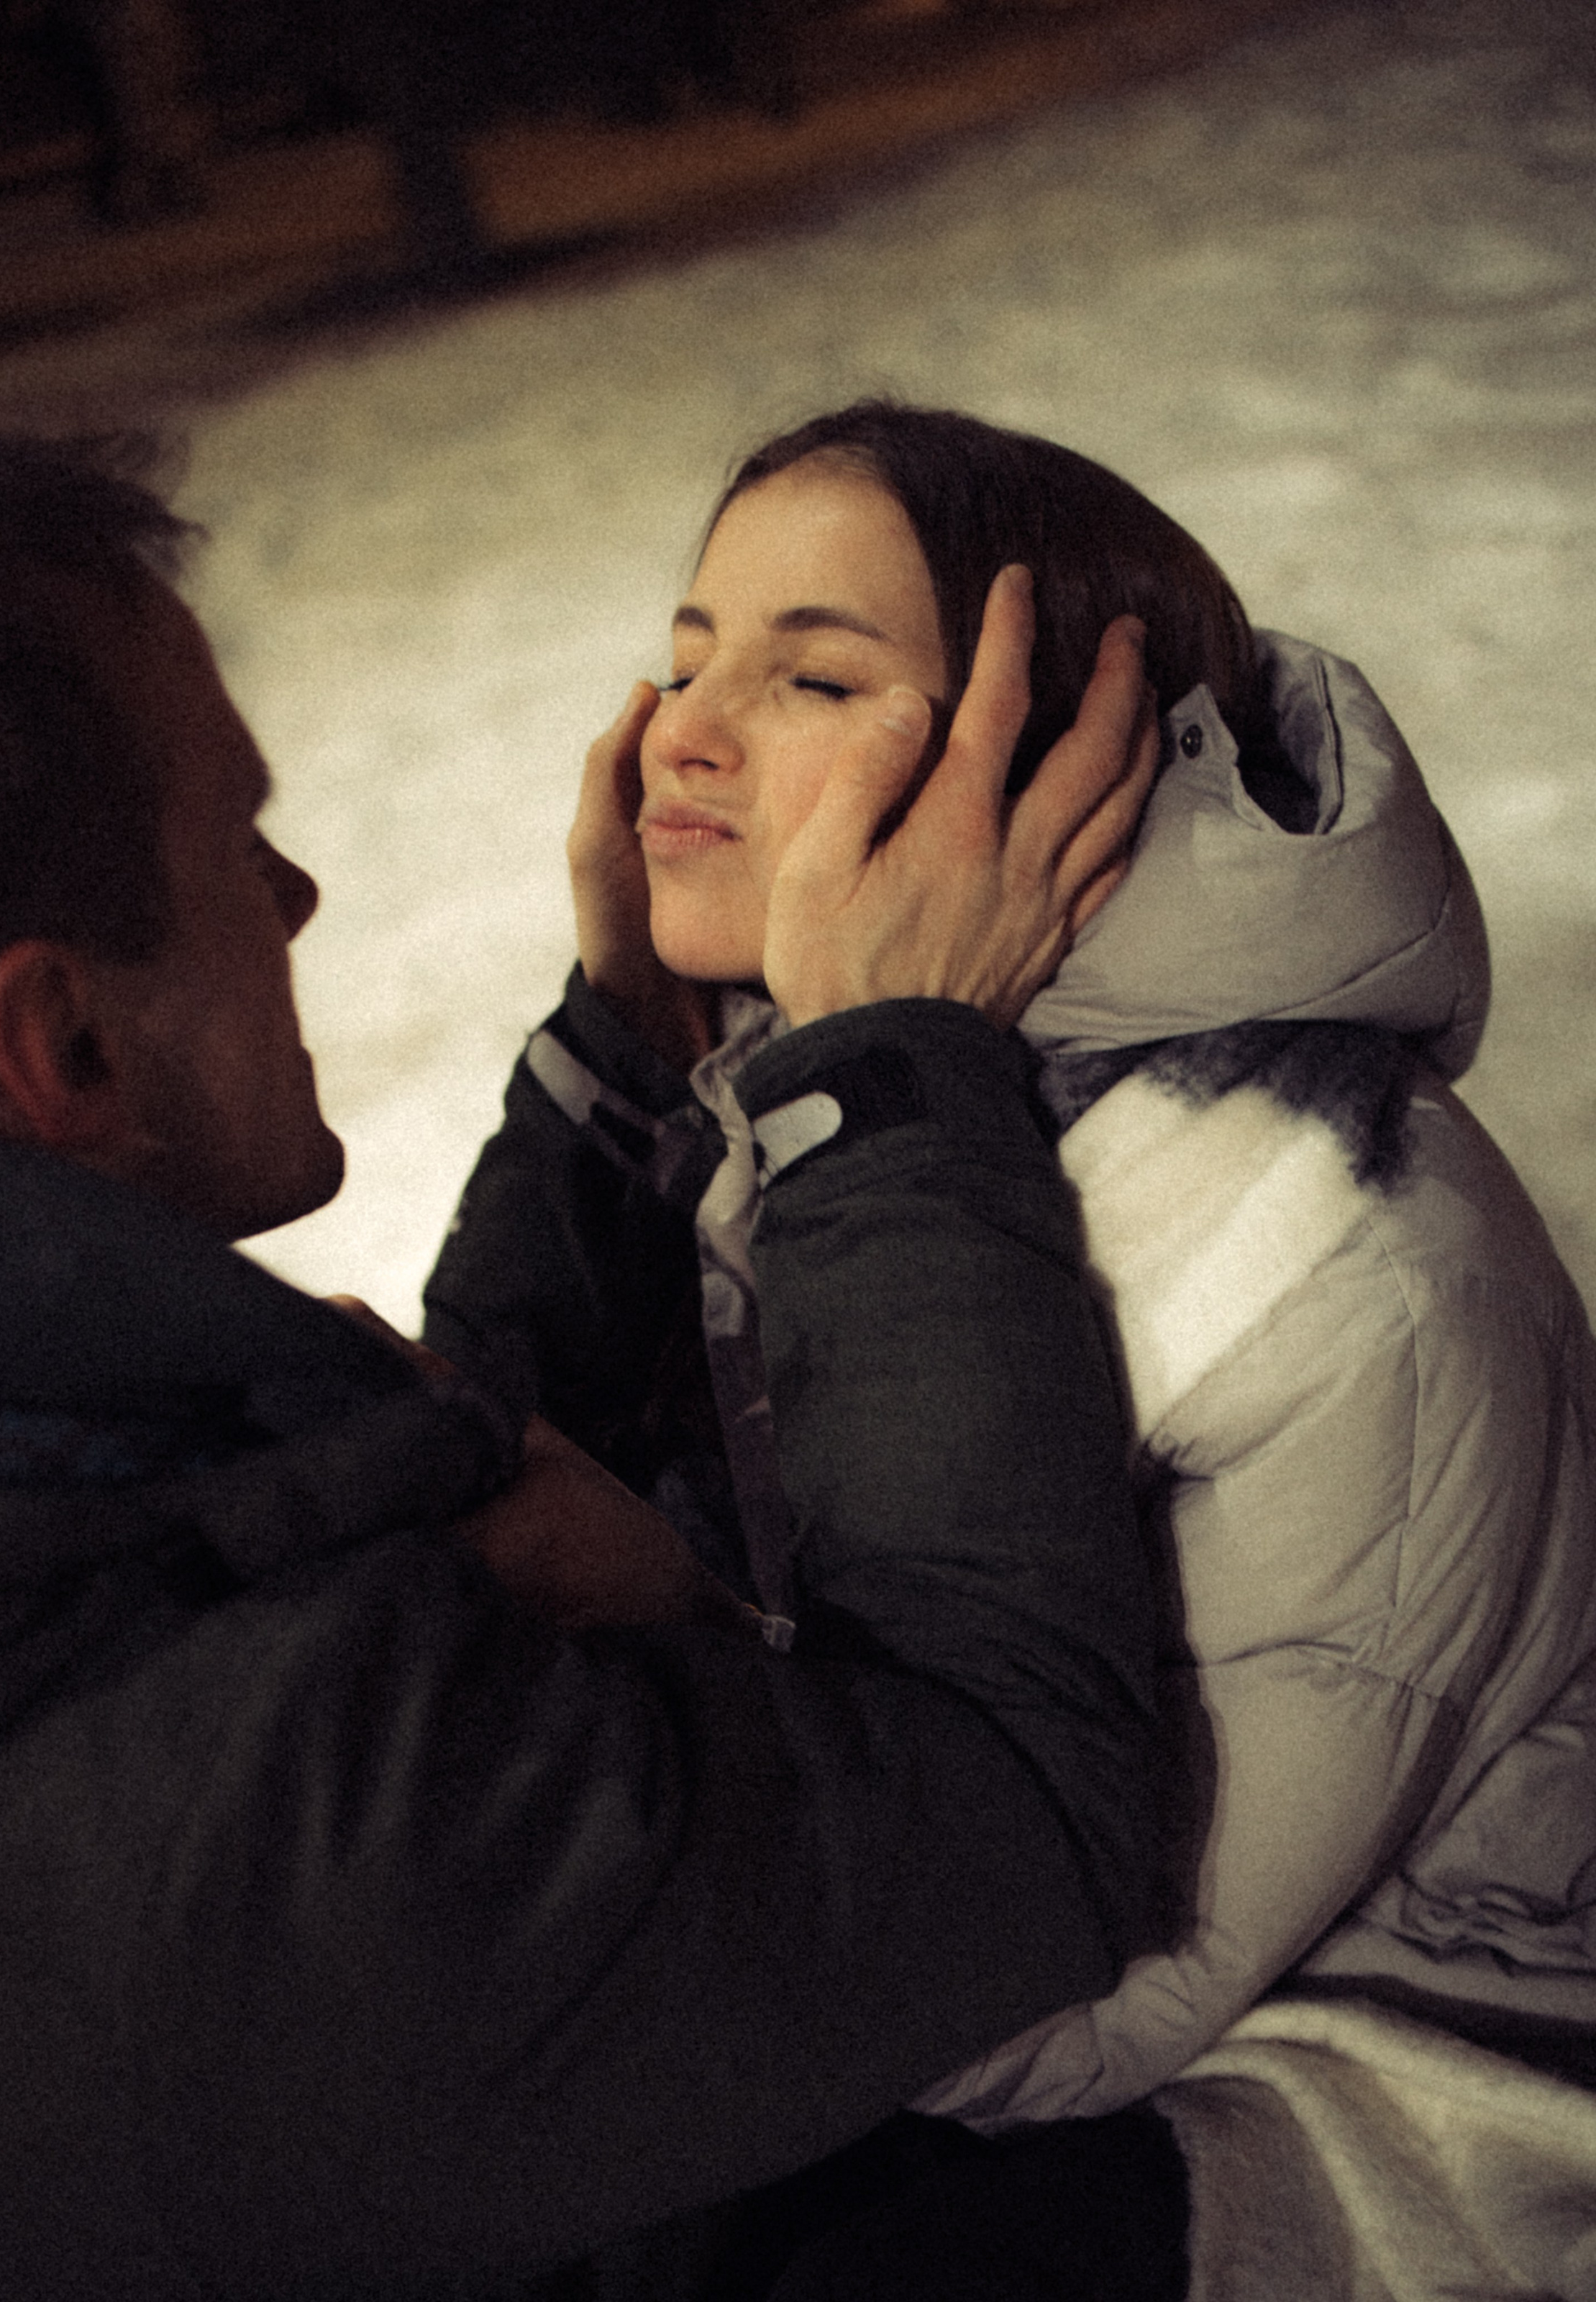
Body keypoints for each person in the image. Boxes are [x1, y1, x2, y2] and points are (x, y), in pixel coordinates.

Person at [0, 431, 1167, 2301]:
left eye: (811, 673)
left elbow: (393, 1520)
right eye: (232, 844)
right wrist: (888, 1072)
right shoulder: (222, 1865)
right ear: (66, 1046)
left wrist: (622, 1072)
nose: (300, 892)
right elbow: (1006, 1812)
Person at [422, 401, 1596, 2295]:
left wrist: (653, 1619)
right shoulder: (841, 1096)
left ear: (1057, 763)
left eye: (811, 675)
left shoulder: (1334, 1268)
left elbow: (1036, 2020)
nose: (683, 733)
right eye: (685, 656)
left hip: (1384, 2141)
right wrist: (631, 1049)